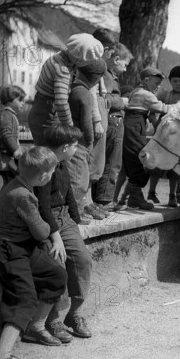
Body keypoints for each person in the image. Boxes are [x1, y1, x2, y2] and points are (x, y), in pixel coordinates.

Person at [0, 146, 67, 359]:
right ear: (44, 176)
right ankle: (1, 358)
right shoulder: (23, 195)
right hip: (10, 249)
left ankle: (36, 326)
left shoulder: (19, 185)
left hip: (22, 246)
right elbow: (42, 232)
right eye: (52, 172)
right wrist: (48, 227)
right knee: (24, 297)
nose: (52, 175)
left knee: (56, 274)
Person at [36, 124, 94, 340]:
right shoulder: (44, 167)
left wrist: (75, 223)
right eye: (75, 146)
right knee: (57, 266)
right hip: (47, 221)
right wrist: (56, 237)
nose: (76, 150)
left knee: (82, 260)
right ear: (65, 147)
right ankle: (53, 318)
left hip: (64, 218)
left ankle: (75, 313)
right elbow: (42, 206)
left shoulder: (62, 164)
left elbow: (68, 193)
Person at [28, 33, 104, 146]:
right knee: (48, 154)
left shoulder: (61, 57)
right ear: (79, 60)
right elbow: (61, 103)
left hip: (42, 109)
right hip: (46, 116)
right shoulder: (62, 70)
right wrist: (70, 128)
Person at [122, 67, 170, 210]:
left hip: (135, 125)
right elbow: (162, 108)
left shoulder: (136, 91)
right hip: (136, 127)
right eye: (156, 83)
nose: (158, 86)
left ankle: (134, 196)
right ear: (146, 80)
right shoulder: (145, 95)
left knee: (137, 158)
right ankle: (135, 197)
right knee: (142, 157)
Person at [93, 43, 134, 209]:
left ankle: (99, 198)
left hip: (111, 121)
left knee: (106, 161)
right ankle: (105, 200)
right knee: (113, 162)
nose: (125, 69)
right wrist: (122, 102)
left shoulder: (107, 75)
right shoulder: (108, 77)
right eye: (124, 64)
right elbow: (106, 98)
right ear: (116, 59)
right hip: (113, 121)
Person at [66, 59, 108, 220]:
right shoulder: (84, 94)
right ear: (96, 78)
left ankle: (79, 209)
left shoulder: (75, 90)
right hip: (80, 144)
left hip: (76, 143)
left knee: (81, 178)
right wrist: (90, 141)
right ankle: (75, 213)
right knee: (79, 181)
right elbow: (86, 122)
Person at [148, 65, 180, 207]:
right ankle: (151, 193)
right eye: (175, 81)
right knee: (157, 165)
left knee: (176, 167)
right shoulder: (165, 95)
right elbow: (150, 112)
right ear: (170, 82)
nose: (178, 84)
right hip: (163, 138)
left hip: (178, 139)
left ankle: (172, 196)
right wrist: (156, 124)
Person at [88, 28, 119, 215]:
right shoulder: (91, 63)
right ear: (104, 47)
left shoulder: (98, 63)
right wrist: (98, 120)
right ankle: (87, 201)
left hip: (100, 112)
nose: (111, 55)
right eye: (110, 51)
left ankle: (90, 201)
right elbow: (91, 93)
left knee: (98, 160)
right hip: (95, 116)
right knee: (91, 159)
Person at [0, 85, 27, 212]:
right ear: (10, 100)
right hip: (5, 156)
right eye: (20, 100)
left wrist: (19, 128)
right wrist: (16, 150)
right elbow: (6, 133)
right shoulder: (7, 115)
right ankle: (2, 207)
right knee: (14, 181)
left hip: (4, 155)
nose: (23, 103)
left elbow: (9, 130)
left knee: (9, 182)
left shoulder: (7, 115)